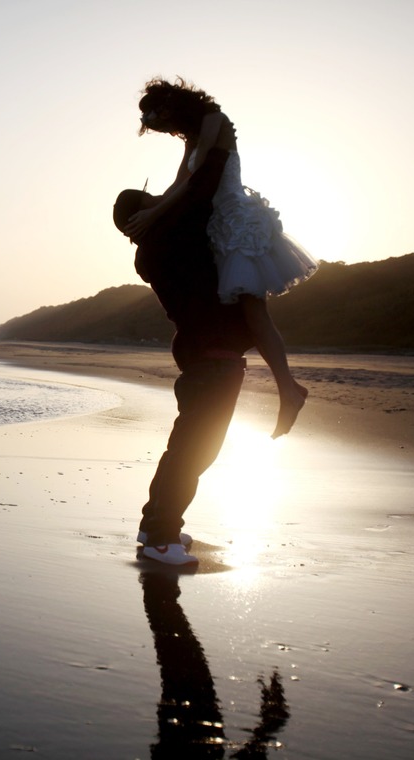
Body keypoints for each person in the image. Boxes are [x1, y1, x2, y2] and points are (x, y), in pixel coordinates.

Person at [125, 78, 318, 438]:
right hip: (217, 227)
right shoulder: (191, 139)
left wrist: (154, 214)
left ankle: (289, 389)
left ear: (171, 106)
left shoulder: (213, 118)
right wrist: (152, 212)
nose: (166, 130)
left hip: (236, 221)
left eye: (162, 122)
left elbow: (199, 178)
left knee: (254, 309)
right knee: (248, 311)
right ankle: (289, 389)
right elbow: (177, 185)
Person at [113, 143, 251, 566]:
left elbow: (182, 191)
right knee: (196, 447)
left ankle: (154, 520)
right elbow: (196, 189)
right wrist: (210, 146)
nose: (162, 202)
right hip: (211, 352)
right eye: (152, 202)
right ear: (142, 218)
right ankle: (160, 537)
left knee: (187, 444)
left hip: (201, 349)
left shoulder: (151, 250)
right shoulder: (170, 241)